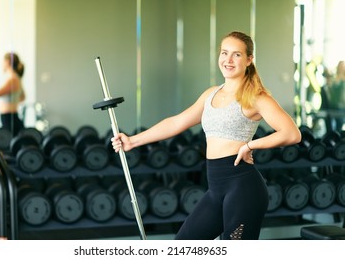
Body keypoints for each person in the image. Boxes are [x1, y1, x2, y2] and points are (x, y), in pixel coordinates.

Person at [111, 31, 301, 240]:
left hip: (243, 189)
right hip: (216, 190)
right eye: (224, 53)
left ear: (249, 60)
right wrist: (133, 140)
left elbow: (292, 134)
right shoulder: (211, 94)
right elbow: (176, 122)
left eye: (236, 55)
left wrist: (250, 146)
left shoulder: (255, 97)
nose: (228, 60)